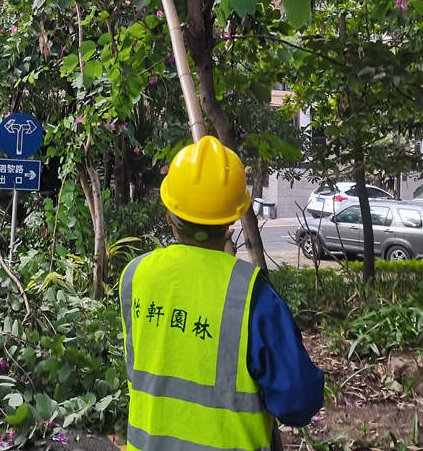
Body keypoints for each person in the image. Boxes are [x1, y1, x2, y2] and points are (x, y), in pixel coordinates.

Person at [120, 136, 324, 451]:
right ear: (231, 220)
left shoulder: (136, 275)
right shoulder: (253, 297)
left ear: (170, 217)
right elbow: (298, 402)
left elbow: (139, 368)